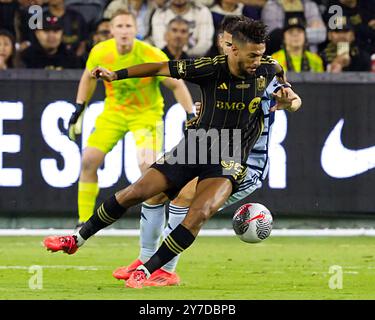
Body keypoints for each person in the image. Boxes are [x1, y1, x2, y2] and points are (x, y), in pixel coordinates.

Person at [44, 18, 301, 289]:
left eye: (260, 54)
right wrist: (115, 75)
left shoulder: (269, 69)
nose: (257, 60)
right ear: (232, 49)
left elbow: (292, 96)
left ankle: (154, 269)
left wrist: (288, 102)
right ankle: (79, 239)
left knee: (195, 209)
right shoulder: (211, 68)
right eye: (252, 55)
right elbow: (159, 68)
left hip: (234, 154)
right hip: (197, 145)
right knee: (140, 192)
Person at [67, 9, 194, 227]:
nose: (124, 31)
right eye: (119, 26)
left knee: (147, 167)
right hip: (114, 113)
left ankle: (156, 223)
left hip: (146, 115)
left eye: (128, 26)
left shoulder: (150, 54)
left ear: (136, 30)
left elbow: (176, 83)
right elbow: (88, 79)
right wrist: (79, 107)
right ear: (111, 30)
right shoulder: (100, 52)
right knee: (88, 160)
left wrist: (190, 113)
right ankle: (84, 220)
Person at [150, 0, 215, 57]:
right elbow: (160, 43)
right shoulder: (160, 13)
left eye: (183, 31)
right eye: (174, 30)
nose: (178, 35)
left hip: (195, 60)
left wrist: (183, 56)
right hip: (165, 58)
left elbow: (205, 44)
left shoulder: (202, 11)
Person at [261, 0, 326, 54]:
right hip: (280, 56)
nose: (295, 34)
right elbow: (274, 36)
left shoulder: (310, 5)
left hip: (309, 56)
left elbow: (321, 35)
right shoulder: (271, 6)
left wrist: (290, 35)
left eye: (299, 32)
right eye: (291, 32)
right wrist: (306, 32)